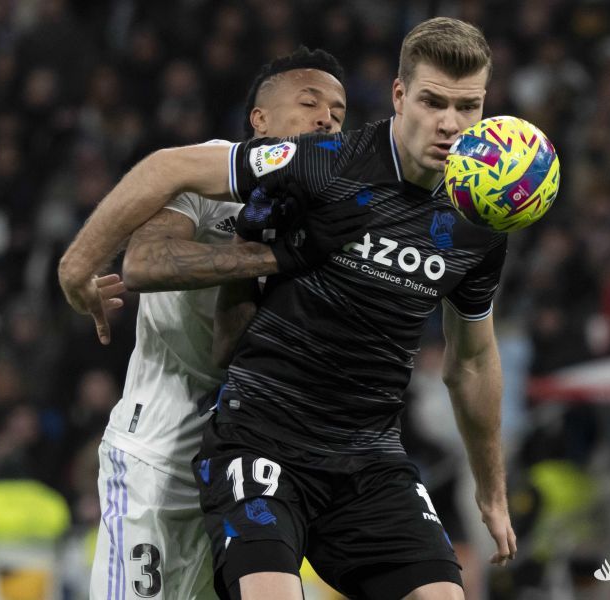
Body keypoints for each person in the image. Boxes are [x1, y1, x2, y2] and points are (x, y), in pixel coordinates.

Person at [58, 17, 517, 600]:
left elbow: (473, 362)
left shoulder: (474, 215)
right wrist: (78, 266)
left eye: (468, 107)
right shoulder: (305, 166)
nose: (451, 123)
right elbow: (148, 256)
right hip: (216, 437)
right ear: (401, 97)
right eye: (432, 101)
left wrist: (492, 489)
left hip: (364, 454)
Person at [80, 47, 356, 600]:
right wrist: (271, 257)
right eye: (309, 102)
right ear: (260, 121)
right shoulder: (211, 170)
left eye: (339, 110)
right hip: (158, 454)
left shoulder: (333, 212)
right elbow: (145, 263)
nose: (327, 116)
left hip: (250, 469)